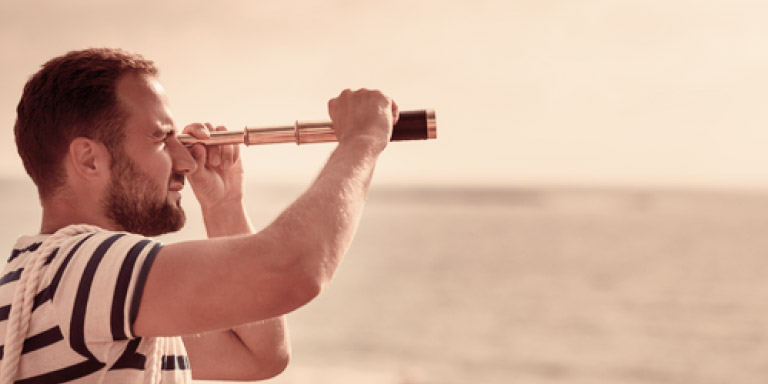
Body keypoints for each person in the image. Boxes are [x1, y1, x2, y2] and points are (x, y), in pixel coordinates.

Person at [0, 48, 398, 383]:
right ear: (89, 159)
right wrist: (361, 140)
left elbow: (258, 355)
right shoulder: (82, 270)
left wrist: (223, 205)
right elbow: (293, 270)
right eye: (161, 138)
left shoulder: (40, 280)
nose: (185, 161)